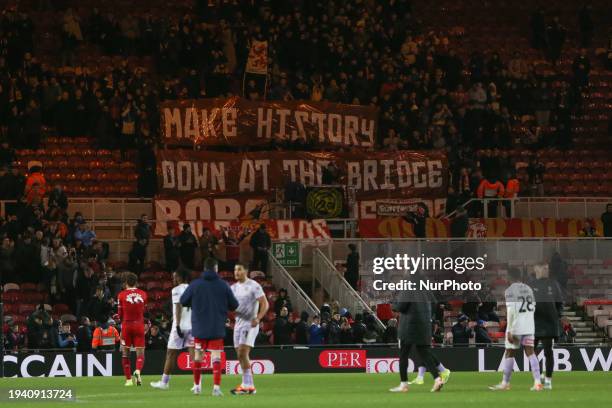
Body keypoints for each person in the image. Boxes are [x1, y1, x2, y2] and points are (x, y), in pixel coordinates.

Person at [180, 257, 239, 396]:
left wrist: (193, 303)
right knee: (216, 357)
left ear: (204, 269)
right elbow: (234, 305)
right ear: (216, 268)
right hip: (217, 327)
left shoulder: (195, 284)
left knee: (198, 356)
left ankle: (197, 387)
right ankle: (216, 389)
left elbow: (183, 301)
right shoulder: (223, 285)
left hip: (199, 327)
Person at [489, 267, 543, 391]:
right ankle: (537, 382)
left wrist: (509, 330)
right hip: (529, 325)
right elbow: (533, 307)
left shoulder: (510, 290)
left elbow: (511, 311)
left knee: (509, 352)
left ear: (510, 277)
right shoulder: (529, 289)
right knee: (530, 352)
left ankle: (505, 383)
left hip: (516, 326)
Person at [389, 290, 447, 393]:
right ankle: (437, 379)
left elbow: (401, 307)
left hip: (408, 326)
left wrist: (393, 304)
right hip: (424, 325)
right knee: (424, 353)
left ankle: (404, 384)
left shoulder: (407, 288)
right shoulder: (425, 289)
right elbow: (434, 303)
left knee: (403, 354)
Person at [150, 268, 194, 390]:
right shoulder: (193, 288)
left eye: (175, 277)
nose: (173, 279)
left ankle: (164, 382)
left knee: (171, 353)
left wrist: (178, 325)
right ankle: (197, 384)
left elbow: (178, 306)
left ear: (181, 277)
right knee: (193, 355)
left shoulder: (176, 290)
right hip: (192, 325)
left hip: (179, 326)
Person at [230, 264, 269, 395]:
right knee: (240, 355)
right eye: (235, 269)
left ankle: (248, 385)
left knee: (242, 352)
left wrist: (258, 318)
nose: (236, 272)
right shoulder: (233, 288)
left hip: (250, 324)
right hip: (238, 324)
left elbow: (265, 303)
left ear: (246, 271)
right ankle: (247, 385)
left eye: (239, 269)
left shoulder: (254, 285)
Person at [532, 264, 563, 390]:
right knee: (530, 352)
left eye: (547, 268)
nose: (546, 270)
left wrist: (558, 315)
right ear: (536, 269)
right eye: (543, 268)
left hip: (549, 322)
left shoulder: (553, 284)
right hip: (534, 322)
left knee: (548, 351)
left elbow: (559, 302)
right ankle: (538, 378)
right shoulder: (531, 284)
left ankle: (548, 380)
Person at [117, 272, 148, 386]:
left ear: (126, 283)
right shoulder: (143, 294)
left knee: (126, 353)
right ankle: (138, 370)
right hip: (139, 325)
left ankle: (129, 380)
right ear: (136, 282)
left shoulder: (121, 295)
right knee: (140, 354)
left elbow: (120, 314)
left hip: (127, 325)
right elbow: (144, 311)